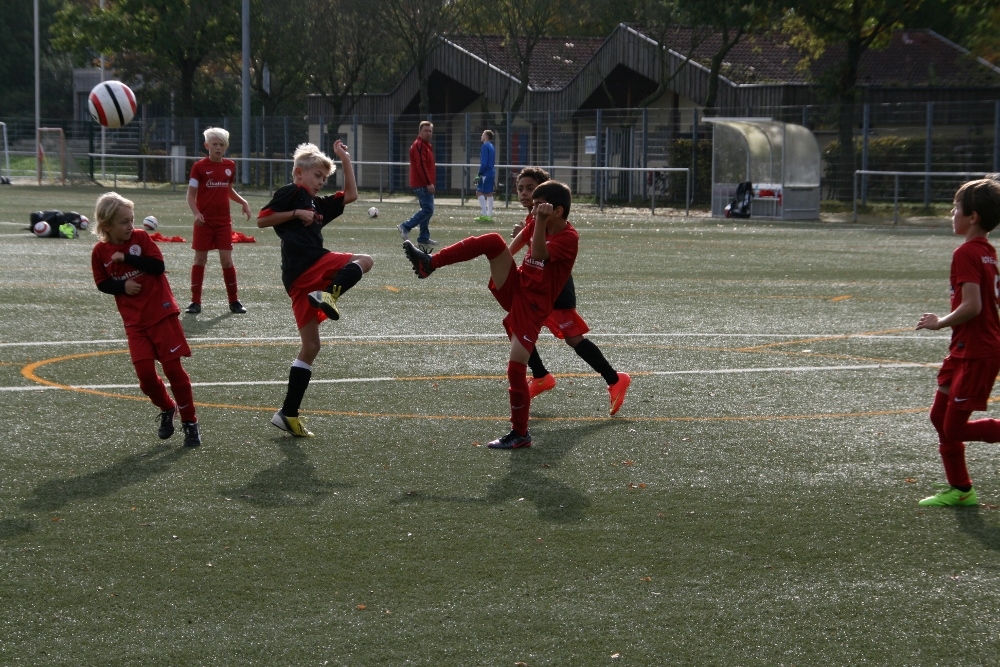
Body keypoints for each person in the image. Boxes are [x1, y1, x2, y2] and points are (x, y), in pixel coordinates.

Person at [402, 180, 578, 449]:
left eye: (538, 207)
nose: (532, 212)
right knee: (492, 240)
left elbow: (539, 254)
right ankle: (430, 263)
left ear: (557, 211)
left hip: (533, 306)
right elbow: (516, 245)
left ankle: (520, 434)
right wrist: (500, 258)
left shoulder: (568, 237)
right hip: (517, 286)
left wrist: (539, 222)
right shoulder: (538, 221)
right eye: (533, 207)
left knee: (516, 369)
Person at [256, 140, 371, 437]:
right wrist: (296, 213)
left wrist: (345, 158)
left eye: (324, 178)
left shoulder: (317, 204)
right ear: (299, 173)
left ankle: (288, 413)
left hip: (298, 280)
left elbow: (351, 195)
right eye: (317, 176)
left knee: (311, 347)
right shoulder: (293, 193)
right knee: (365, 260)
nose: (320, 182)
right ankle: (329, 295)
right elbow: (262, 220)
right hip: (308, 264)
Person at [511, 167, 631, 415]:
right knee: (516, 324)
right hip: (537, 288)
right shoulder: (535, 219)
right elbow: (525, 239)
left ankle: (613, 378)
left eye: (530, 189)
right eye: (521, 189)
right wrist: (504, 254)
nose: (525, 194)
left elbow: (539, 253)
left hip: (556, 289)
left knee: (573, 337)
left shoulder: (561, 230)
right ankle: (541, 375)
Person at [90, 192, 201, 447]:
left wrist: (127, 258)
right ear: (106, 226)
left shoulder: (140, 238)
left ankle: (190, 422)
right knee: (146, 378)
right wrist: (122, 286)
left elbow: (157, 266)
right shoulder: (100, 252)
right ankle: (167, 407)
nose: (130, 225)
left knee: (173, 370)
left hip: (161, 314)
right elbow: (102, 283)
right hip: (135, 323)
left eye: (131, 219)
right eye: (124, 222)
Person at [915, 178, 1000, 506]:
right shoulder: (987, 252)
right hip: (964, 349)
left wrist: (939, 322)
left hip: (977, 352)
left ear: (973, 217)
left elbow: (972, 306)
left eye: (956, 208)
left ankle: (962, 489)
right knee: (940, 417)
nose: (952, 213)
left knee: (954, 428)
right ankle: (961, 489)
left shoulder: (966, 252)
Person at [185, 127, 253, 315]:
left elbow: (228, 190)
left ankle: (234, 301)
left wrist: (243, 202)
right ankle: (195, 302)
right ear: (206, 145)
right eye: (214, 144)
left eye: (221, 144)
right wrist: (196, 213)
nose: (218, 147)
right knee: (200, 259)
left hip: (223, 222)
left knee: (227, 260)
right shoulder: (199, 167)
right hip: (204, 222)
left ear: (226, 147)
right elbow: (190, 195)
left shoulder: (230, 166)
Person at [397, 121, 437, 248]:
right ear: (420, 131)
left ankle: (423, 238)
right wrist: (428, 183)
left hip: (424, 183)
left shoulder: (426, 145)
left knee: (426, 210)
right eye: (426, 130)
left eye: (430, 131)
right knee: (428, 209)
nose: (428, 133)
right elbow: (421, 165)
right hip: (422, 184)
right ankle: (405, 226)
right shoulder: (419, 145)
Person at [475, 130, 496, 222]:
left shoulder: (485, 146)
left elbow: (484, 162)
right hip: (491, 172)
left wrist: (479, 173)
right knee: (489, 193)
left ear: (486, 136)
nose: (481, 136)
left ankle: (484, 214)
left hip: (486, 173)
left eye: (483, 134)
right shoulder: (491, 146)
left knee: (479, 192)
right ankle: (489, 215)